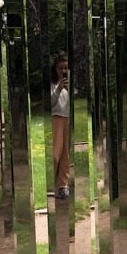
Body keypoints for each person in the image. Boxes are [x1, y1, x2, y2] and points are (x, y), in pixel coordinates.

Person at [51, 52, 70, 200]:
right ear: (55, 68)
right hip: (56, 118)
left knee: (65, 154)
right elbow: (50, 103)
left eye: (65, 68)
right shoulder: (52, 85)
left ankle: (63, 186)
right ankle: (51, 184)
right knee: (55, 154)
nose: (63, 71)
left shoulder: (71, 84)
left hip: (67, 119)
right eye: (60, 68)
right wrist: (58, 89)